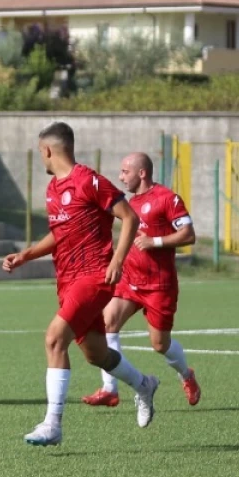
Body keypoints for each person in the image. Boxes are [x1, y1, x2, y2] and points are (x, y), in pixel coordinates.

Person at [0, 122, 161, 447]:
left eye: (40, 152)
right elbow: (60, 235)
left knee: (54, 339)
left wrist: (116, 260)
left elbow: (129, 218)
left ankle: (52, 424)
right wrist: (26, 255)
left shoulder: (89, 180)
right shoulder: (53, 190)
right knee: (97, 355)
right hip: (67, 280)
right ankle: (144, 384)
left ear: (47, 150)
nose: (41, 158)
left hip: (94, 276)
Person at [81, 153, 202, 408]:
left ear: (142, 173)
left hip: (159, 285)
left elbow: (189, 235)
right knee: (107, 323)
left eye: (125, 171)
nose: (121, 176)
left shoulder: (167, 198)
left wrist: (154, 242)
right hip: (129, 281)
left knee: (160, 344)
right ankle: (110, 390)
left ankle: (186, 375)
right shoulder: (129, 204)